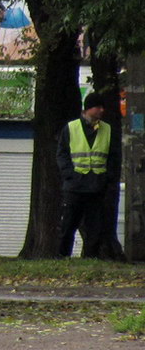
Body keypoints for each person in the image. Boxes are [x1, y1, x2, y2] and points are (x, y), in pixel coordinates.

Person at [56, 92, 121, 258]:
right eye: (98, 107)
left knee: (95, 227)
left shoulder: (107, 129)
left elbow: (114, 156)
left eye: (102, 107)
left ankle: (90, 257)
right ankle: (63, 256)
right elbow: (62, 153)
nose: (101, 110)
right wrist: (69, 175)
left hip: (97, 185)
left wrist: (107, 178)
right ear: (88, 109)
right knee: (68, 224)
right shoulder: (71, 128)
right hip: (75, 186)